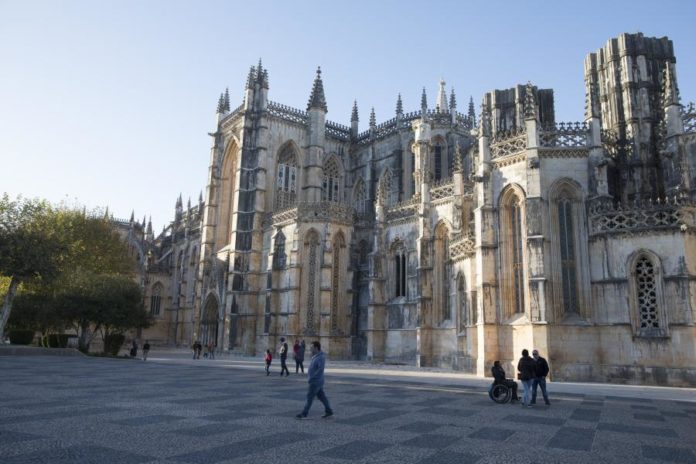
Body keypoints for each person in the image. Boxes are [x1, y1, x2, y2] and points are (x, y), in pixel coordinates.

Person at [296, 341, 333, 419]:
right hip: (317, 381)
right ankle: (329, 411)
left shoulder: (320, 357)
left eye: (311, 348)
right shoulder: (316, 356)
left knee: (309, 397)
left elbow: (320, 369)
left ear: (316, 348)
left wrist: (313, 378)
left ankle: (304, 413)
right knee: (322, 397)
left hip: (315, 381)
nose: (310, 349)